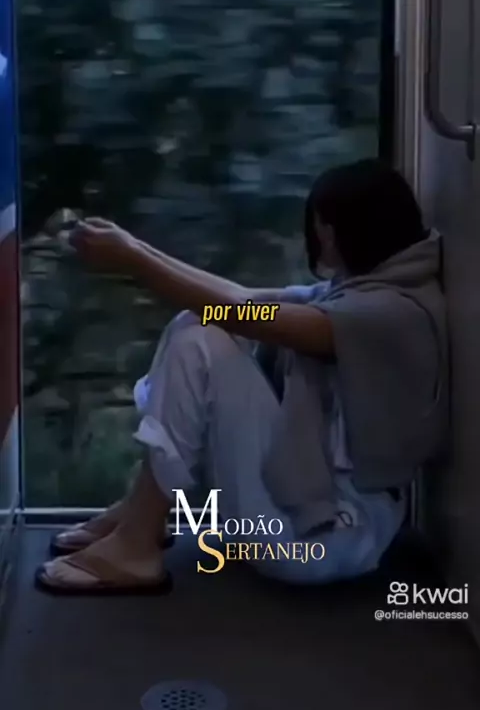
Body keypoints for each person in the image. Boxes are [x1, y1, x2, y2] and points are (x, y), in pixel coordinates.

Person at [35, 159, 448, 594]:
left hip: (324, 543)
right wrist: (134, 248)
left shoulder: (388, 315)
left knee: (200, 339)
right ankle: (141, 513)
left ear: (334, 232)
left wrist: (134, 260)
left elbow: (245, 316)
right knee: (196, 323)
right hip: (317, 518)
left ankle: (136, 544)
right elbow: (242, 300)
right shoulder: (364, 293)